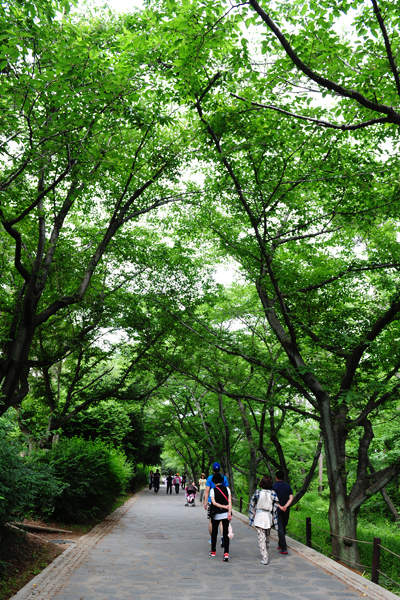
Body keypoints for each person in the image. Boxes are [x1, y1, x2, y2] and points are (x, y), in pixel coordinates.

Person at [249, 476, 279, 565]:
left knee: (261, 538)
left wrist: (252, 512)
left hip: (259, 516)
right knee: (267, 537)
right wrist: (273, 511)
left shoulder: (258, 492)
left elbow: (252, 502)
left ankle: (264, 557)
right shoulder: (272, 493)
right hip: (268, 516)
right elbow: (277, 502)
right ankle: (265, 553)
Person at [203, 463, 229, 546]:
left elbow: (207, 490)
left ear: (213, 469)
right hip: (222, 501)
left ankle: (212, 539)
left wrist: (205, 501)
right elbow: (227, 489)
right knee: (222, 521)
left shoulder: (210, 478)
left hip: (212, 500)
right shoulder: (224, 478)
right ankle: (222, 536)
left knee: (211, 520)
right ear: (220, 469)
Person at [209, 473, 232, 561]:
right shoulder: (227, 489)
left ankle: (213, 551)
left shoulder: (213, 490)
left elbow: (214, 503)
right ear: (222, 480)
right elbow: (230, 502)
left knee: (214, 532)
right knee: (225, 534)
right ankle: (226, 553)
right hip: (226, 514)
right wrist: (229, 512)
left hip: (216, 514)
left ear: (213, 481)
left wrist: (222, 507)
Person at [273, 470, 293, 555]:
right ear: (283, 477)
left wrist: (280, 506)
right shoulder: (288, 487)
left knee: (280, 527)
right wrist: (285, 506)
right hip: (286, 510)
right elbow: (291, 498)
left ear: (276, 477)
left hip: (277, 509)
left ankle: (283, 547)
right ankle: (280, 543)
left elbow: (272, 499)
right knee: (283, 526)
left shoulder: (273, 487)